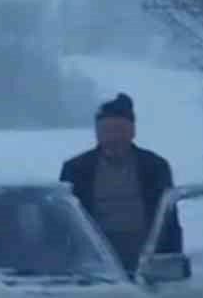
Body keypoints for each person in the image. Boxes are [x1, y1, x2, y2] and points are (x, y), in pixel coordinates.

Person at [58, 93, 181, 273]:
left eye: (119, 130)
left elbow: (169, 222)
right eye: (106, 131)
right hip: (94, 265)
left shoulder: (154, 167)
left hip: (147, 262)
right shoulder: (76, 169)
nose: (113, 138)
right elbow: (65, 224)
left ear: (132, 132)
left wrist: (172, 265)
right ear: (97, 133)